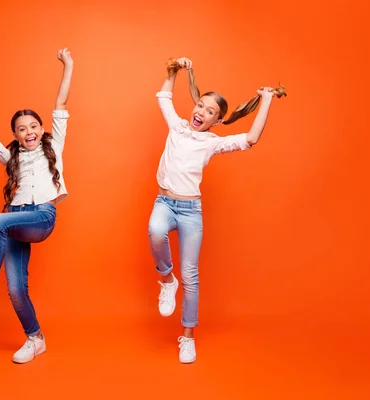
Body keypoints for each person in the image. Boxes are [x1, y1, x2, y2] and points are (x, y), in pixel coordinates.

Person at [148, 57, 285, 363]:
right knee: (155, 231)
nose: (203, 113)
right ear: (195, 105)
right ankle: (166, 280)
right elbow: (163, 97)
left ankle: (187, 337)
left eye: (211, 112)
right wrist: (173, 70)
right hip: (164, 202)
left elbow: (250, 139)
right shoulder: (177, 127)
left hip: (190, 211)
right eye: (202, 106)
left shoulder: (211, 142)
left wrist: (265, 101)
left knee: (192, 276)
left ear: (217, 121)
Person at [0, 47, 74, 364]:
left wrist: (68, 64)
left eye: (33, 126)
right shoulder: (13, 158)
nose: (29, 131)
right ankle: (35, 339)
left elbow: (60, 104)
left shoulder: (54, 146)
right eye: (22, 129)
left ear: (41, 129)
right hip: (15, 223)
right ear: (17, 136)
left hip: (41, 217)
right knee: (17, 289)